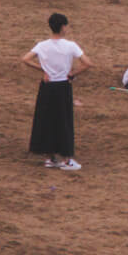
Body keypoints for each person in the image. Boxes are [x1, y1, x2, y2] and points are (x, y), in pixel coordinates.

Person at [25, 14, 90, 170]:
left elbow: (25, 59)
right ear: (62, 27)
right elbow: (87, 63)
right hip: (62, 87)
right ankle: (67, 159)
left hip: (47, 87)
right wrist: (73, 73)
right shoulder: (70, 45)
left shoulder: (42, 45)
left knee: (46, 120)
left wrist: (43, 69)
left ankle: (50, 157)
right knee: (64, 121)